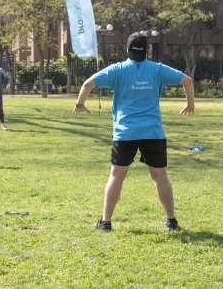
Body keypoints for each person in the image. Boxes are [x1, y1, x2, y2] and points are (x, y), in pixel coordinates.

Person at [74, 31, 195, 231]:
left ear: (127, 49)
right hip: (152, 132)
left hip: (125, 133)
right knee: (159, 176)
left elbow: (88, 83)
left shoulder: (118, 69)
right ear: (146, 50)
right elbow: (188, 80)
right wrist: (190, 104)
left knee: (117, 175)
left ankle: (106, 222)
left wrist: (79, 104)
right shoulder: (157, 69)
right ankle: (171, 221)